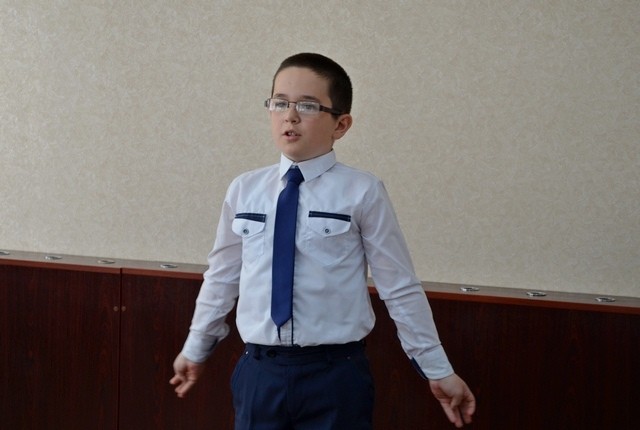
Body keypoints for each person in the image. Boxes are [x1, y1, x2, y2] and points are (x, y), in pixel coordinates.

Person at [170, 52, 476, 429]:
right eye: (279, 103)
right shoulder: (244, 189)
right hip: (259, 373)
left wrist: (438, 369)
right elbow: (221, 277)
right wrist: (195, 348)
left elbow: (399, 286)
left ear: (341, 124)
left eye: (308, 105)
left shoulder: (362, 191)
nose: (290, 116)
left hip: (335, 377)